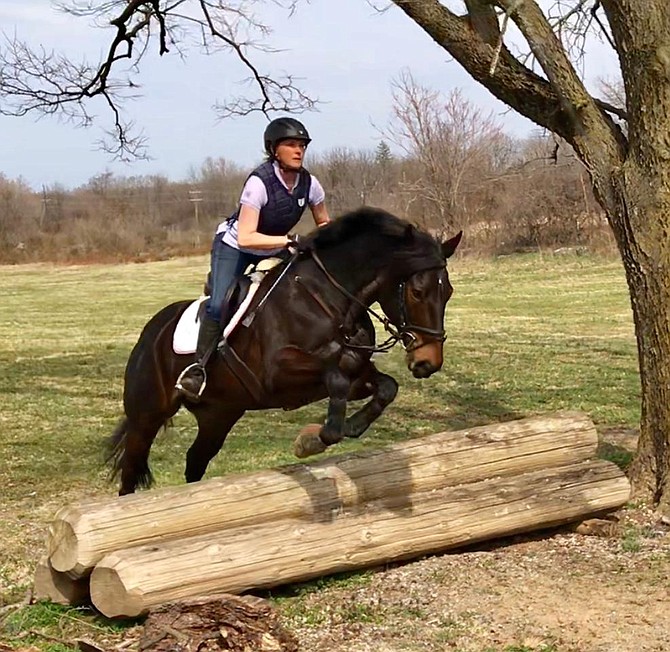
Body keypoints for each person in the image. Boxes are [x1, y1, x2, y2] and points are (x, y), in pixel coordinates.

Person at [175, 117, 331, 401]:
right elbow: (247, 237)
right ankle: (198, 369)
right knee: (219, 303)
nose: (299, 151)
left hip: (272, 245)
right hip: (235, 246)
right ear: (274, 150)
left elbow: (324, 224)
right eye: (291, 145)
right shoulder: (259, 183)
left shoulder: (310, 184)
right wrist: (289, 241)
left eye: (302, 146)